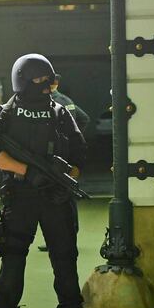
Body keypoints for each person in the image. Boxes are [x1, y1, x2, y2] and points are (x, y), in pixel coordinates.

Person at [0, 53, 90, 308]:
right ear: (24, 81)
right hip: (20, 197)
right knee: (12, 266)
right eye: (41, 80)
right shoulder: (5, 113)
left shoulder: (59, 112)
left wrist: (63, 178)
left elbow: (80, 153)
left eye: (48, 80)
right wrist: (27, 172)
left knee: (65, 263)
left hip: (56, 198)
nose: (47, 87)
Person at [37, 73, 90, 252]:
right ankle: (70, 233)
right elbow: (84, 119)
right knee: (67, 192)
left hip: (55, 154)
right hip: (67, 154)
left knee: (55, 195)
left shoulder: (50, 100)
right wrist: (73, 137)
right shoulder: (67, 99)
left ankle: (58, 237)